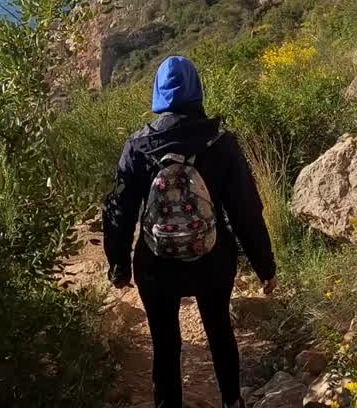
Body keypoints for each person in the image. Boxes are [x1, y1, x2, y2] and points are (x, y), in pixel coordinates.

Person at [104, 55, 277, 408]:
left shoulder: (137, 146)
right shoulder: (221, 143)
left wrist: (118, 266)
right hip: (212, 261)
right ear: (198, 90)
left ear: (157, 93)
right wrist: (265, 267)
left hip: (156, 266)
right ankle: (232, 401)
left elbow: (119, 212)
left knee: (165, 344)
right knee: (219, 331)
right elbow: (246, 211)